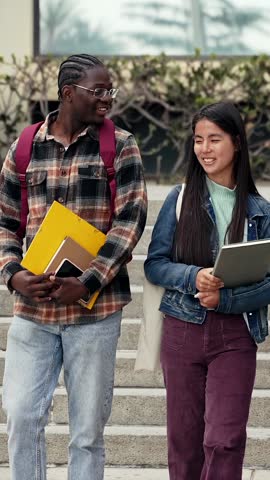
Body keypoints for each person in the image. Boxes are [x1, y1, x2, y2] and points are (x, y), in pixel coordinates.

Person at [0, 54, 147, 480]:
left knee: (86, 434)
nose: (107, 99)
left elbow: (131, 219)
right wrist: (13, 274)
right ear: (68, 93)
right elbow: (6, 221)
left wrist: (87, 282)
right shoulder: (25, 146)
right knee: (23, 418)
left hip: (94, 315)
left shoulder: (119, 145)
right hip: (34, 313)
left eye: (110, 91)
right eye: (98, 91)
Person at [144, 102, 270, 480]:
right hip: (182, 331)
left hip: (236, 336)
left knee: (225, 439)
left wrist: (226, 299)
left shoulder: (259, 211)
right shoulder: (180, 199)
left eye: (214, 139)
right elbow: (155, 264)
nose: (205, 149)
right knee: (184, 443)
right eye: (198, 140)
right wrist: (193, 276)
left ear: (236, 143)